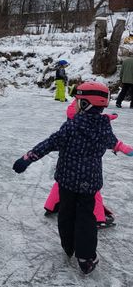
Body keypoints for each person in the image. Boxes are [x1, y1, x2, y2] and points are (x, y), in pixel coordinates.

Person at [13, 82, 133, 274]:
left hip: (67, 180)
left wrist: (27, 158)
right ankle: (85, 258)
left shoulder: (71, 126)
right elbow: (114, 143)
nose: (75, 104)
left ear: (85, 104)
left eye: (77, 101)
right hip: (89, 182)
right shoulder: (103, 126)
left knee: (66, 214)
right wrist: (126, 150)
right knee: (86, 219)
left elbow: (49, 143)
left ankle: (68, 247)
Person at [44, 84, 117, 228]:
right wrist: (103, 119)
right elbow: (84, 121)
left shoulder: (76, 104)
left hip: (69, 156)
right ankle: (98, 218)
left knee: (63, 181)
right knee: (91, 189)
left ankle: (51, 205)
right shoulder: (82, 109)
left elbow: (75, 116)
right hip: (86, 160)